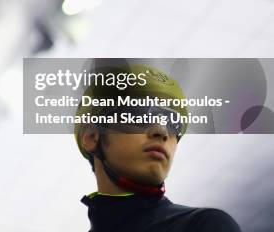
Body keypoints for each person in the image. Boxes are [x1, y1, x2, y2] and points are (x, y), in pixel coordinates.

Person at [74, 64, 241, 232]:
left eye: (172, 123)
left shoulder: (205, 225)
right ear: (92, 137)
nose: (162, 132)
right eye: (139, 112)